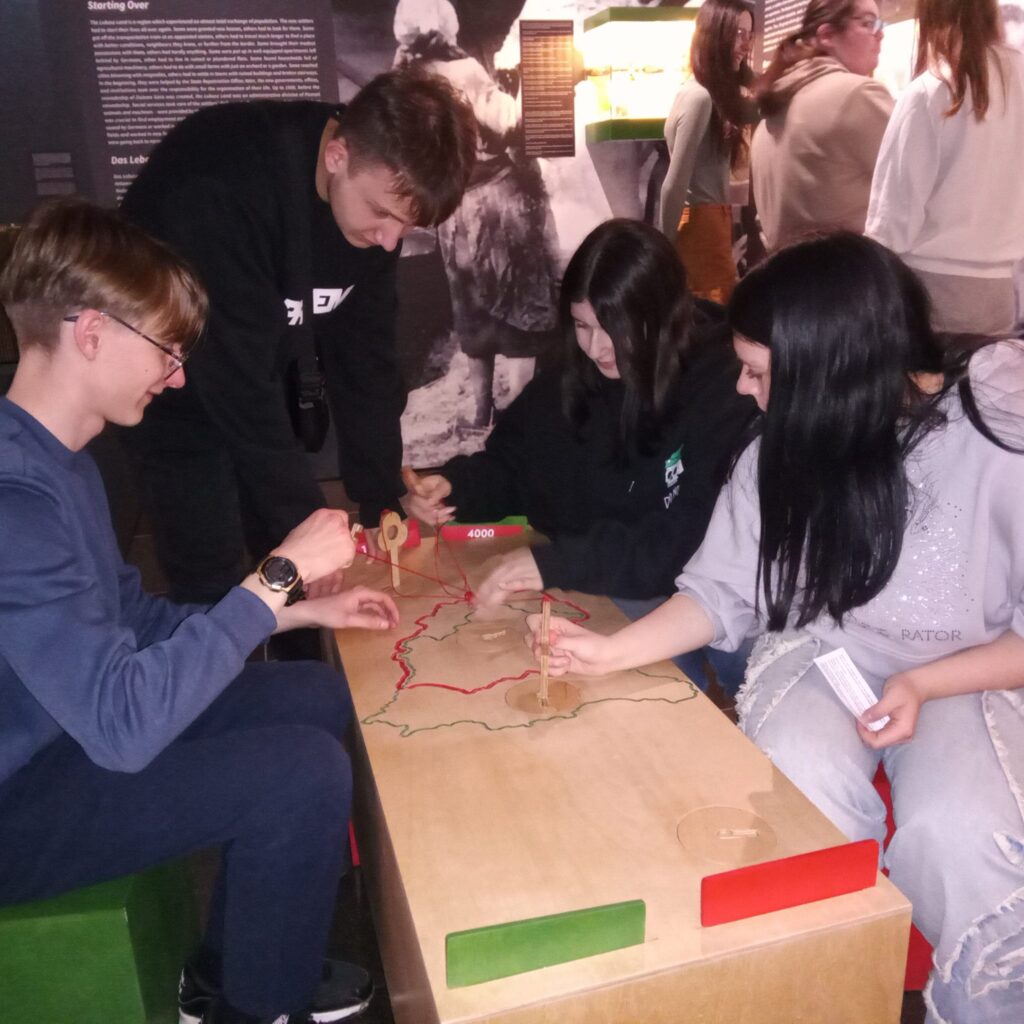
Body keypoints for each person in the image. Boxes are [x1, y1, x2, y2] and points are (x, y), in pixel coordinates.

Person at [529, 233, 1024, 1023]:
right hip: (828, 653)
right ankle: (830, 994)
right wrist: (610, 651)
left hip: (967, 673)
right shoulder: (780, 450)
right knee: (802, 786)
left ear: (833, 369)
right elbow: (722, 591)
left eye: (760, 372)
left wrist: (924, 682)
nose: (745, 390)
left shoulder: (998, 434)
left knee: (959, 833)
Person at [0, 199, 401, 1024]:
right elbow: (122, 724)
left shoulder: (62, 462)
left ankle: (231, 971)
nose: (178, 376)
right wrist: (276, 576)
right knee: (301, 777)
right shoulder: (15, 500)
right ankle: (255, 1010)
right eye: (167, 350)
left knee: (313, 695)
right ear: (91, 333)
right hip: (22, 801)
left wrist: (292, 615)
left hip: (71, 737)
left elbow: (132, 624)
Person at [120, 67, 477, 603]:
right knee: (214, 570)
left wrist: (380, 497)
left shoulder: (375, 205)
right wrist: (308, 525)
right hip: (168, 387)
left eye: (407, 226)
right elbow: (237, 384)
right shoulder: (221, 183)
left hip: (258, 376)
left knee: (287, 558)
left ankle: (294, 648)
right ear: (337, 156)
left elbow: (367, 358)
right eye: (381, 215)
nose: (389, 243)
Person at [405, 218, 756, 689]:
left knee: (668, 685)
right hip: (607, 580)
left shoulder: (724, 382)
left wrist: (553, 564)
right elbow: (517, 465)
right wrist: (455, 487)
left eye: (616, 328)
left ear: (663, 314)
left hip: (702, 595)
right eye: (583, 325)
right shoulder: (573, 365)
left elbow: (685, 544)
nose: (596, 347)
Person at [394, 0, 560, 430]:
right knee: (519, 305)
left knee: (471, 309)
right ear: (445, 22)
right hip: (498, 205)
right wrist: (533, 84)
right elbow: (508, 123)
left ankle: (481, 409)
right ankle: (519, 414)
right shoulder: (463, 70)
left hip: (455, 210)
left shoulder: (404, 78)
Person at [866, 0, 1024, 337]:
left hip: (931, 289)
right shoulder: (1017, 78)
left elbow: (893, 217)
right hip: (1001, 291)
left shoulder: (933, 88)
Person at [751, 0, 894, 251]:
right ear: (827, 35)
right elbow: (922, 189)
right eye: (867, 23)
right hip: (850, 270)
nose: (880, 34)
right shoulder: (857, 95)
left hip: (788, 272)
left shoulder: (774, 109)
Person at [658, 0, 757, 303]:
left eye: (748, 35)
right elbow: (675, 183)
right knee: (709, 316)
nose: (745, 45)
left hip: (708, 226)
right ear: (716, 34)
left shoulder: (701, 93)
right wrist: (662, 251)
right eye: (738, 33)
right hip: (701, 229)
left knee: (708, 315)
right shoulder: (699, 97)